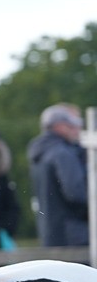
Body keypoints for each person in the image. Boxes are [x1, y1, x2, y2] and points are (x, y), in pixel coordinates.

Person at [28, 103, 89, 246]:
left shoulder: (41, 152)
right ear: (60, 126)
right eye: (73, 125)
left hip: (51, 234)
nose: (78, 129)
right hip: (75, 236)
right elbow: (76, 194)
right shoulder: (62, 154)